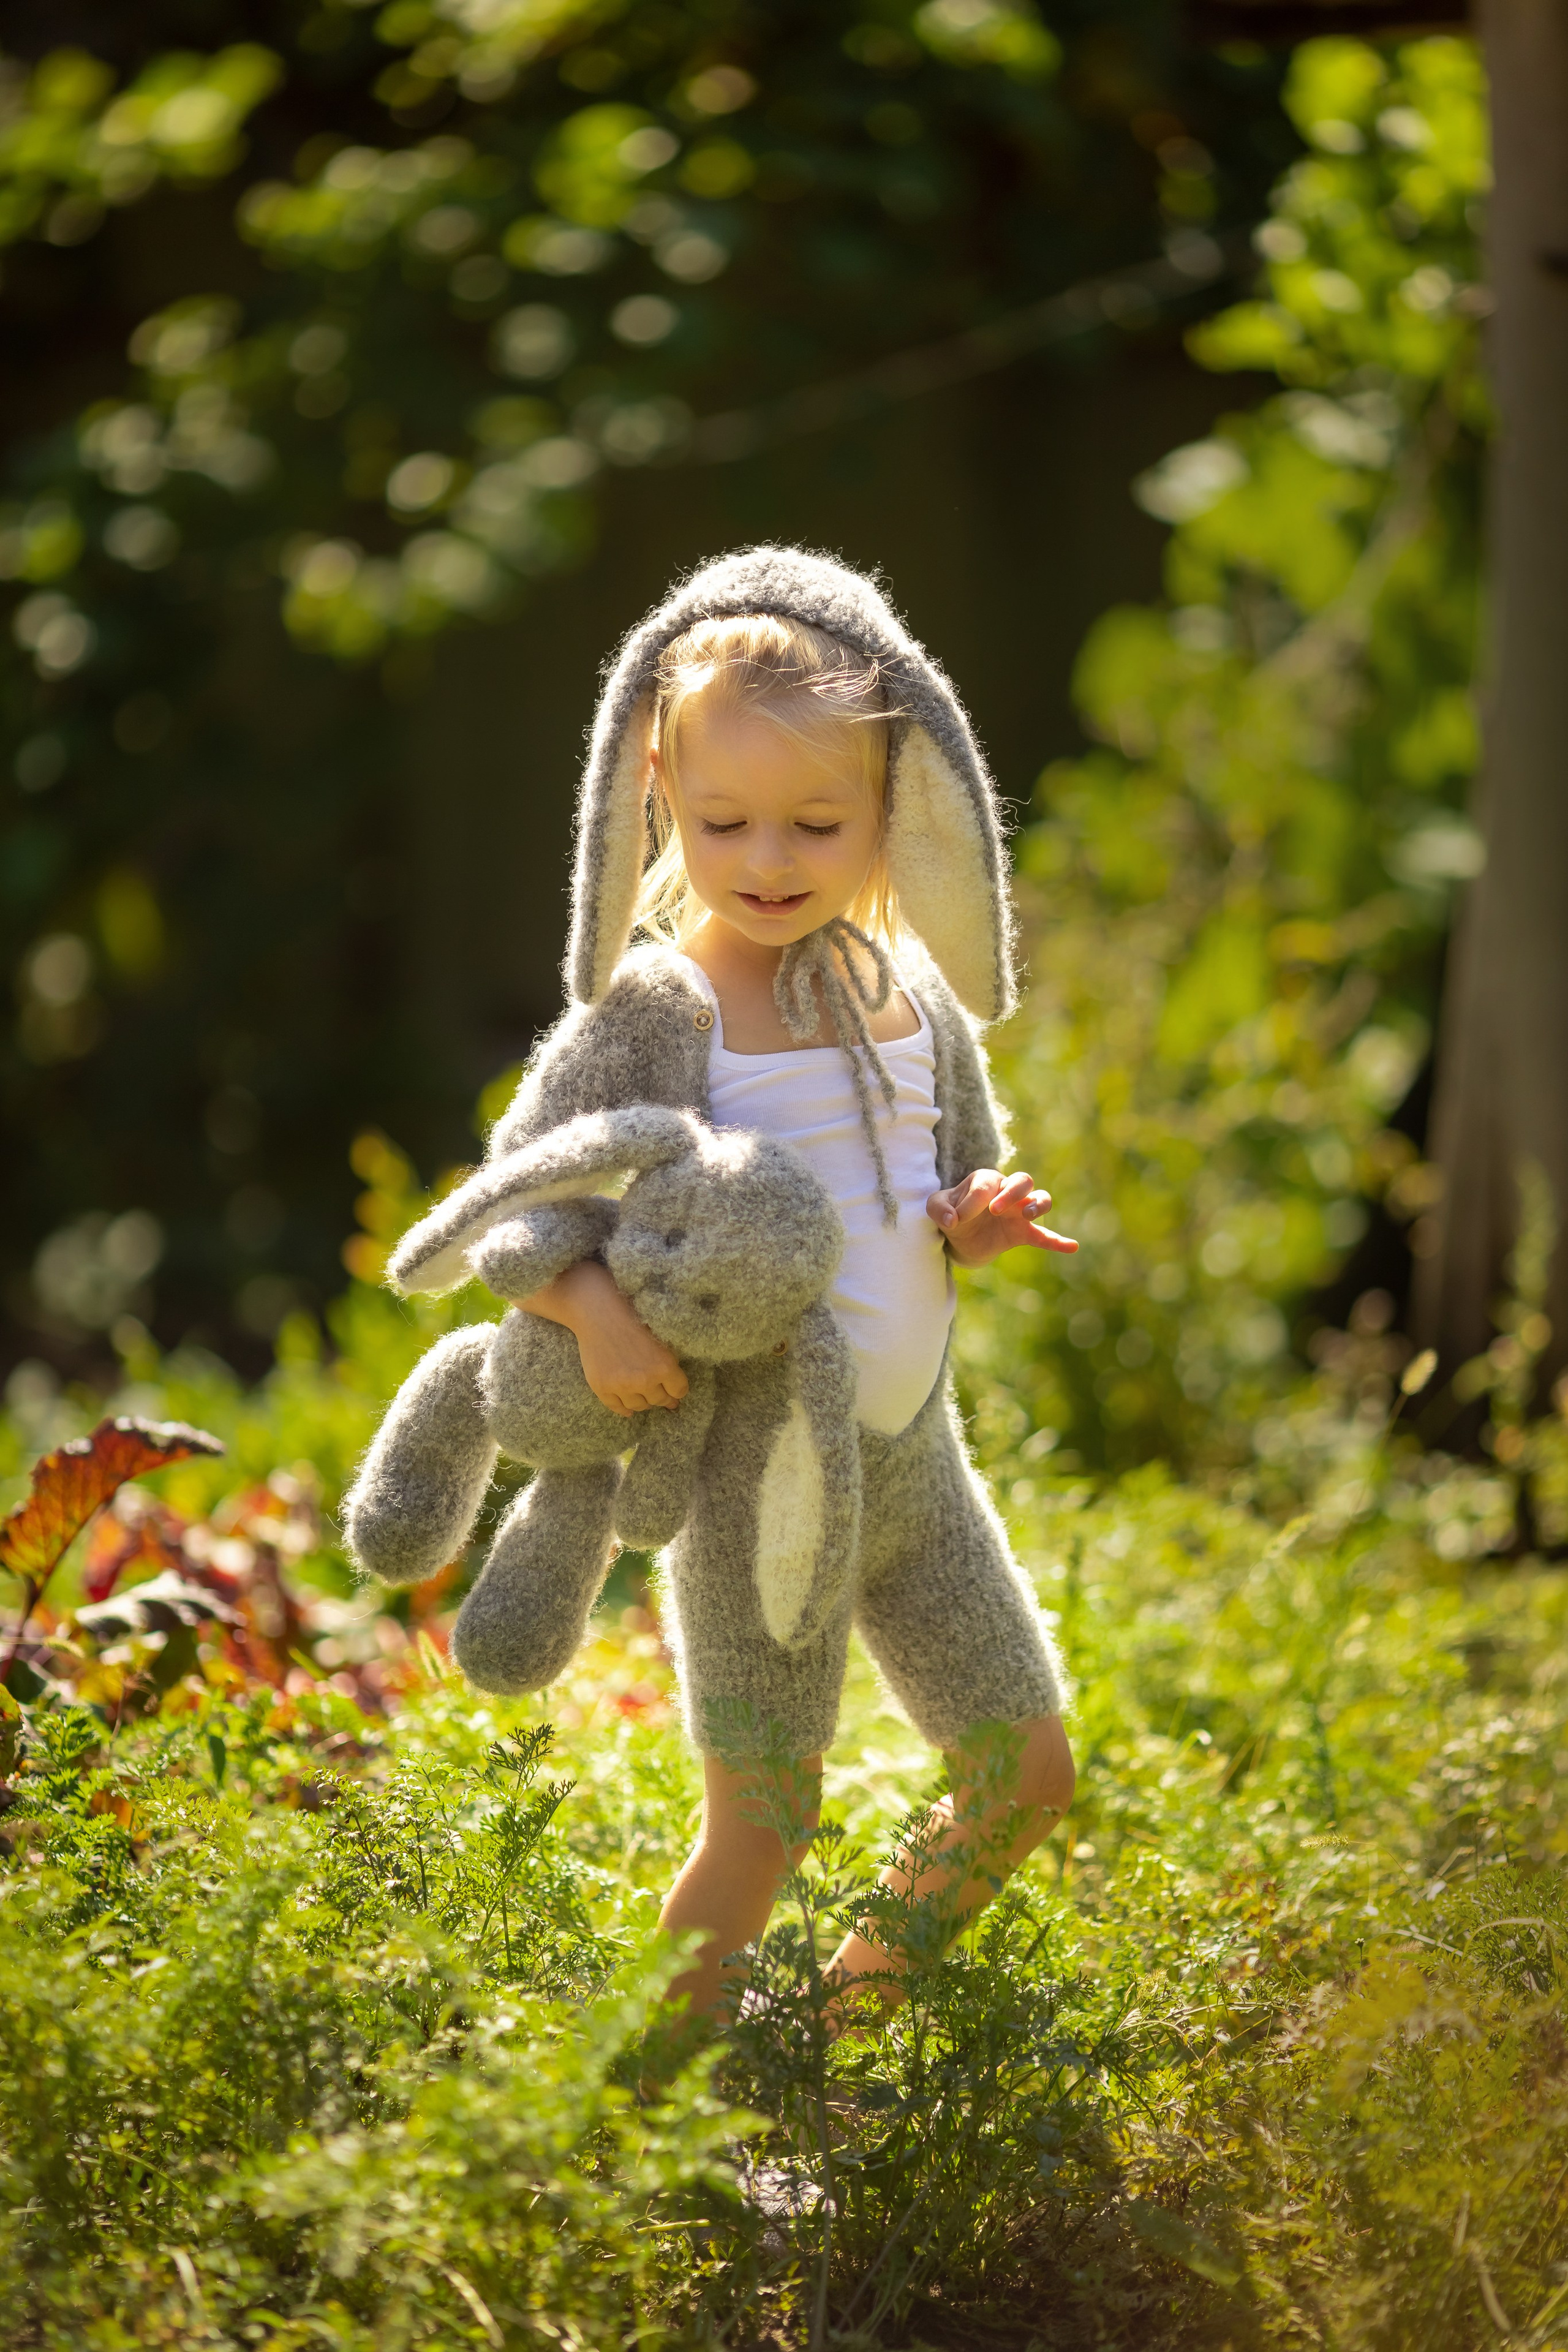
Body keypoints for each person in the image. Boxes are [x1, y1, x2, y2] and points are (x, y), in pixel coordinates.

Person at [421, 547, 1079, 2022]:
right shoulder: (659, 1011)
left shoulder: (906, 998)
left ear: (893, 806)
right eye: (721, 821)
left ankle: (831, 2054)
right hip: (749, 1483)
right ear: (658, 790)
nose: (766, 858)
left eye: (814, 821)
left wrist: (971, 1226)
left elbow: (942, 1182)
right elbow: (510, 1210)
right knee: (764, 1820)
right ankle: (669, 2124)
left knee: (1020, 1774)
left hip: (916, 1465)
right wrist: (590, 1315)